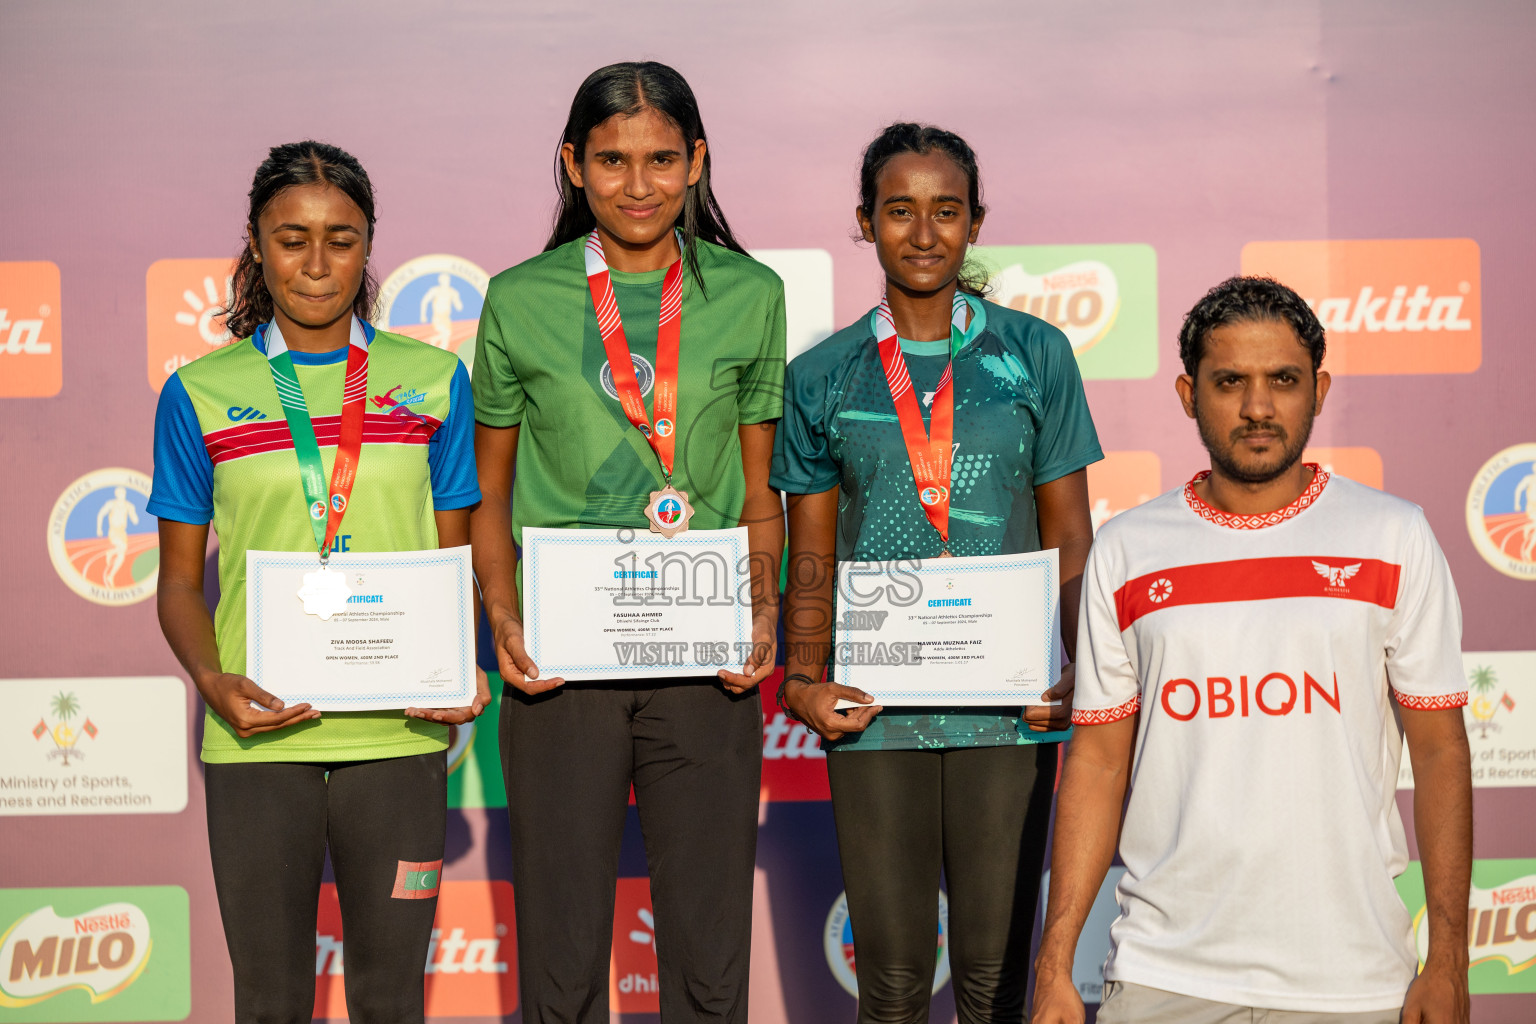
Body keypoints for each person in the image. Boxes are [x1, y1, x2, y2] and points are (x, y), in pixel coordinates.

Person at [1032, 276, 1472, 1024]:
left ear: (1320, 390)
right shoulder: (1130, 550)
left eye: (1284, 381)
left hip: (1351, 981)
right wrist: (1054, 964)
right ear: (1186, 392)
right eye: (1230, 381)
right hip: (1161, 976)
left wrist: (1451, 964)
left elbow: (1438, 751)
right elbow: (1099, 763)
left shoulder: (1393, 536)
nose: (1259, 407)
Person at [468, 62, 786, 1023]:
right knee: (561, 971)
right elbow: (487, 493)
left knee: (708, 966)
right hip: (562, 669)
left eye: (658, 159)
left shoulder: (749, 292)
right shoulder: (518, 298)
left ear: (697, 161)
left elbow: (762, 490)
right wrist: (501, 614)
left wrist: (765, 604)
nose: (636, 184)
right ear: (572, 163)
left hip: (706, 662)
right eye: (610, 160)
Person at [149, 140, 487, 1024]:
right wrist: (211, 680)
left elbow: (451, 564)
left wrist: (459, 665)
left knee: (390, 1000)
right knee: (268, 1002)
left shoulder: (434, 381)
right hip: (258, 739)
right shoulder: (199, 394)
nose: (316, 262)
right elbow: (180, 584)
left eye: (341, 238)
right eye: (291, 237)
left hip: (399, 740)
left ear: (369, 246)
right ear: (255, 244)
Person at [774, 123, 1101, 1023]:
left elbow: (1071, 532)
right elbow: (810, 551)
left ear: (976, 223)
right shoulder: (822, 375)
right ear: (865, 222)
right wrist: (802, 679)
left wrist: (1078, 672)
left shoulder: (1034, 355)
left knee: (996, 985)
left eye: (946, 212)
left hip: (1011, 707)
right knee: (891, 983)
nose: (924, 234)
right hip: (878, 713)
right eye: (901, 211)